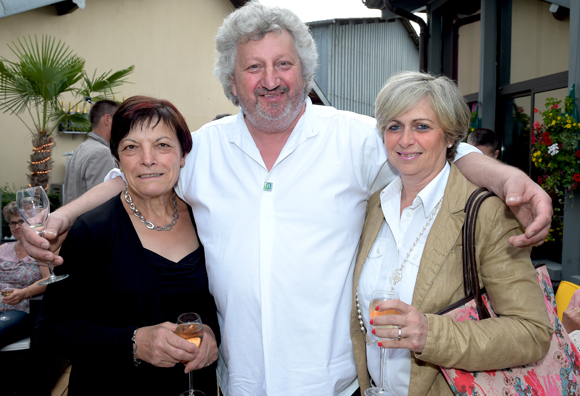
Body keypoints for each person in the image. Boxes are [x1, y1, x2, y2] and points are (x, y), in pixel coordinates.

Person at [22, 2, 552, 395]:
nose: (270, 80)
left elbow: (441, 150)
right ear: (232, 79)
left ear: (305, 70)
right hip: (234, 383)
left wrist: (506, 179)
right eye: (254, 67)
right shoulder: (204, 147)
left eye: (284, 64)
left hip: (336, 384)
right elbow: (135, 171)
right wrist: (64, 215)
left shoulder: (357, 138)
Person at [351, 71, 552, 396]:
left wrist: (431, 334)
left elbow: (532, 331)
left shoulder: (485, 213)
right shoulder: (375, 206)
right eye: (394, 126)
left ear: (450, 137)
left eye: (422, 126)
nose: (404, 140)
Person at [33, 96, 219, 396]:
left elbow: (217, 302)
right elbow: (50, 332)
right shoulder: (93, 230)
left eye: (162, 145)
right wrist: (133, 342)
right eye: (132, 147)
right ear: (118, 160)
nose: (148, 159)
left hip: (194, 386)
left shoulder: (205, 220)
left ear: (183, 155)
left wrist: (211, 332)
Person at [0, 202, 49, 349]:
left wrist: (24, 293)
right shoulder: (3, 249)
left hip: (21, 307)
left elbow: (48, 280)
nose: (17, 226)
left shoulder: (42, 248)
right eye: (13, 223)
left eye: (22, 221)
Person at [63, 99, 119, 204]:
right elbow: (102, 202)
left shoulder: (82, 148)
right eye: (120, 121)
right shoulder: (102, 152)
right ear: (107, 119)